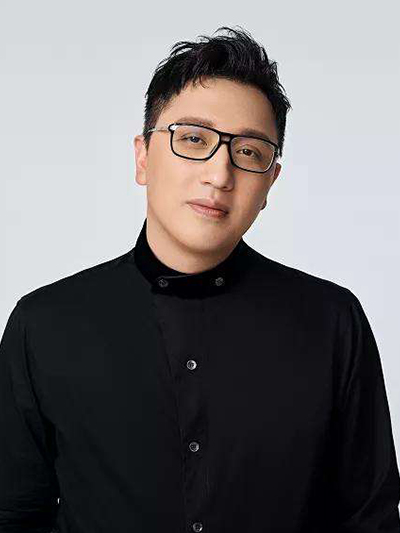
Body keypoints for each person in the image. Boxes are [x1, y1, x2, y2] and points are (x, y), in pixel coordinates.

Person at [1, 25, 399, 533]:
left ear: (270, 182)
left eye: (249, 152)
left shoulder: (332, 322)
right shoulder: (43, 324)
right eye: (193, 139)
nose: (219, 174)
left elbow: (371, 521)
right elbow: (13, 516)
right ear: (142, 157)